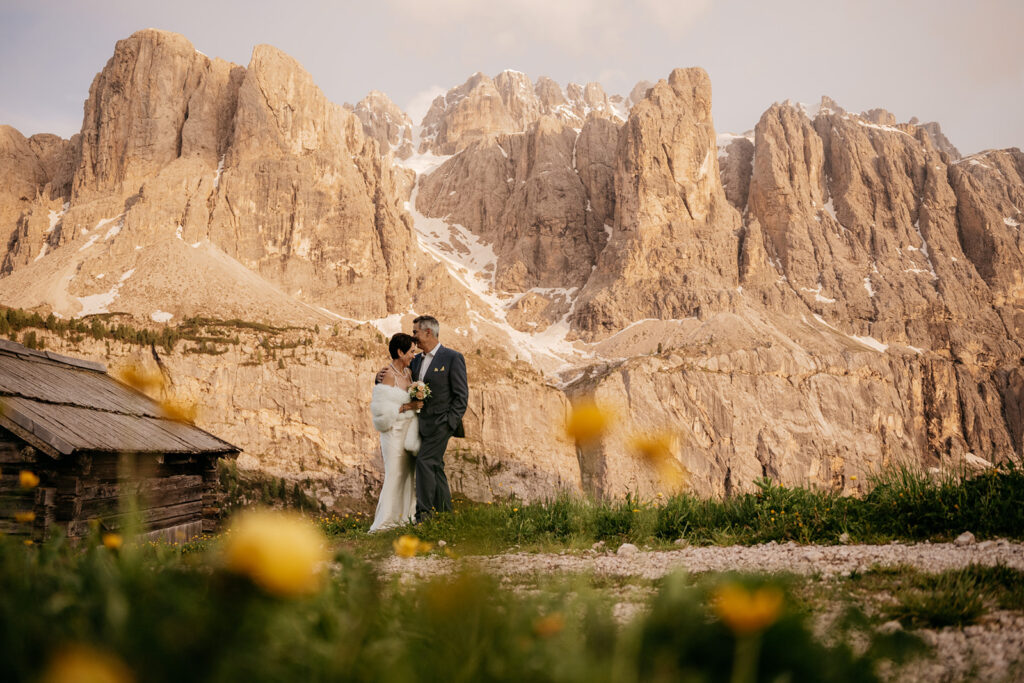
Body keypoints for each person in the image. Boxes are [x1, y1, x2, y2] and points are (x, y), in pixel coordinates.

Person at [368, 333, 421, 532]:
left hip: (408, 433)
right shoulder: (388, 375)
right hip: (392, 433)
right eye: (411, 352)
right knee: (395, 474)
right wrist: (409, 407)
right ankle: (386, 521)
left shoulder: (408, 373)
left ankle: (406, 517)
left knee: (409, 475)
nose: (414, 356)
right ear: (400, 352)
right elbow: (381, 413)